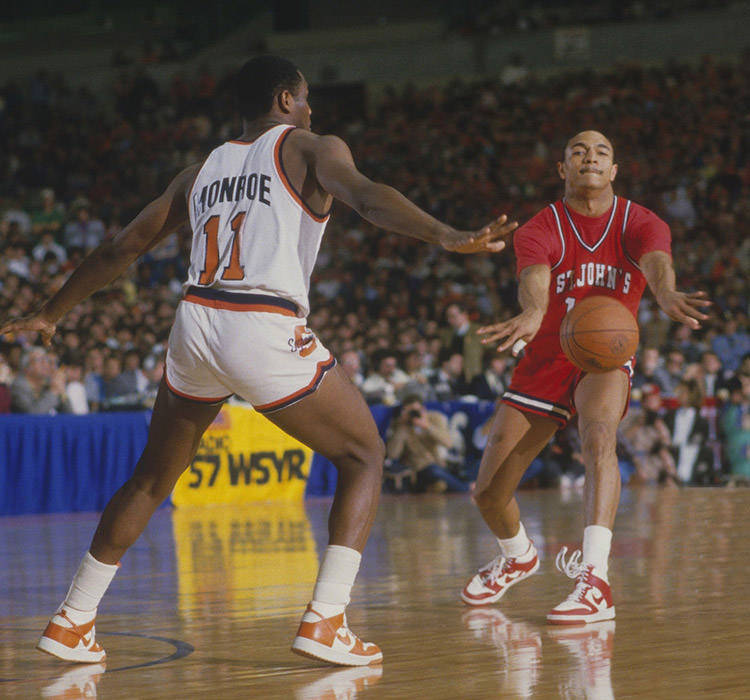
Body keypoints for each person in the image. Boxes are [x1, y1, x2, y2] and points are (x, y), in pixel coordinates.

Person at [0, 55, 516, 667]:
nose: (311, 109)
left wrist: (52, 313)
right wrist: (445, 234)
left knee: (150, 478)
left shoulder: (200, 171)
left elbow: (123, 248)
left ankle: (72, 619)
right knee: (365, 454)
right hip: (258, 319)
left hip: (194, 323)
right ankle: (326, 620)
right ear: (284, 100)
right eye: (305, 99)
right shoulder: (308, 148)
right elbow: (370, 199)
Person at [460, 130, 710, 624]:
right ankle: (518, 555)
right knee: (488, 494)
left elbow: (657, 264)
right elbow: (534, 277)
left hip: (605, 357)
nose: (589, 158)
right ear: (562, 169)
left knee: (598, 437)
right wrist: (533, 313)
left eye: (601, 153)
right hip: (546, 358)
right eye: (578, 152)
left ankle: (595, 580)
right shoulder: (540, 226)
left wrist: (664, 293)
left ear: (614, 170)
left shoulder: (641, 222)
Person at [385, 394, 470, 493]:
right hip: (416, 470)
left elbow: (449, 443)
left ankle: (461, 488)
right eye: (410, 411)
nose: (413, 414)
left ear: (423, 409)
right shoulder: (399, 425)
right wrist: (402, 428)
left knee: (438, 477)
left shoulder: (434, 418)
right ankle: (465, 489)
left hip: (438, 464)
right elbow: (392, 454)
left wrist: (427, 426)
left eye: (416, 410)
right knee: (434, 471)